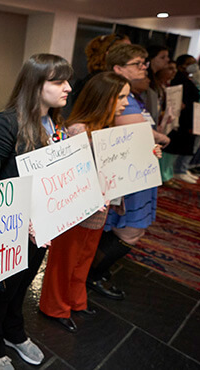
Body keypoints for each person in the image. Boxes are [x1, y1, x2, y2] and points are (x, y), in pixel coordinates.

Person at [0, 54, 73, 366]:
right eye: (58, 81)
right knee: (0, 289)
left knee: (23, 282)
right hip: (10, 226)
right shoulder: (6, 123)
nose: (68, 87)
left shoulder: (54, 123)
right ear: (35, 85)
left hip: (41, 226)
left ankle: (13, 332)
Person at [39, 72, 131, 332]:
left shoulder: (108, 130)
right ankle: (54, 306)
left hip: (98, 209)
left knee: (84, 258)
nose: (126, 102)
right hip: (75, 209)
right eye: (121, 97)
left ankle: (75, 300)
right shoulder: (79, 130)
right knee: (65, 260)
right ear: (104, 98)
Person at [86, 44, 169, 299]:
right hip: (127, 173)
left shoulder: (134, 95)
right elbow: (141, 133)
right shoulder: (120, 98)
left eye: (145, 63)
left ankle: (92, 274)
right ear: (118, 69)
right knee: (129, 230)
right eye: (137, 64)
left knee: (123, 228)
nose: (144, 68)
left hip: (135, 170)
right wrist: (155, 138)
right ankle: (92, 275)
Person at [165, 55, 200, 184]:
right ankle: (170, 173)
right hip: (182, 117)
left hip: (190, 115)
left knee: (181, 147)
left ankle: (174, 171)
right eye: (190, 63)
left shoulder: (189, 79)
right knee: (173, 146)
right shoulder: (179, 80)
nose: (194, 65)